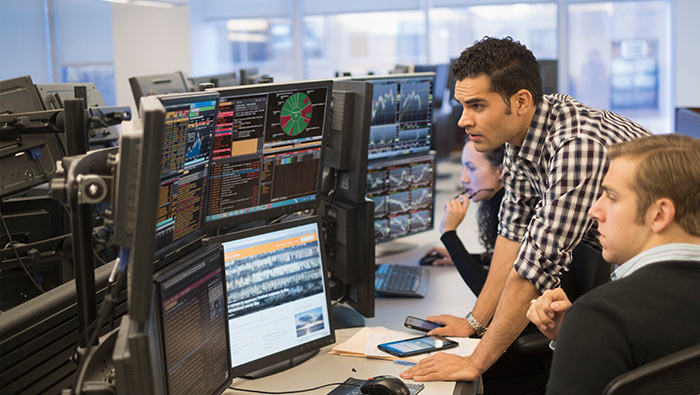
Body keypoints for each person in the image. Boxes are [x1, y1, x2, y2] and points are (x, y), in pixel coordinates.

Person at [400, 36, 651, 387]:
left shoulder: (574, 146)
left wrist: (475, 361)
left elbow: (535, 268)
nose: (462, 121)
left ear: (520, 101)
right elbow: (512, 236)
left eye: (476, 106)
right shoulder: (524, 138)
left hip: (674, 277)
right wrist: (474, 323)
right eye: (461, 107)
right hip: (636, 274)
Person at [526, 134, 700, 395]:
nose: (594, 210)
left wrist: (586, 327)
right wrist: (578, 339)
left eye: (611, 196)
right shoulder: (599, 323)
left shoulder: (602, 316)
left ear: (659, 214)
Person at [423, 140, 505, 296]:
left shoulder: (515, 214)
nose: (463, 179)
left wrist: (448, 232)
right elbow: (503, 262)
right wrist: (465, 257)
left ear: (500, 171)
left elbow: (488, 293)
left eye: (471, 168)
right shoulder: (499, 204)